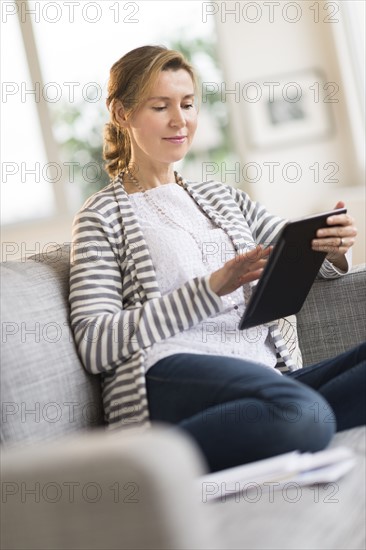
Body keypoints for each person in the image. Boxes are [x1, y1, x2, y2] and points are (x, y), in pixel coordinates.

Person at [69, 45, 365, 472]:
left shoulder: (222, 197)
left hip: (261, 375)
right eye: (160, 106)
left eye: (188, 104)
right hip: (171, 371)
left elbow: (295, 252)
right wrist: (210, 289)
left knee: (301, 409)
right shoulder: (101, 216)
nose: (180, 120)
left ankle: (283, 420)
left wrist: (332, 245)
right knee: (302, 413)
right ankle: (141, 464)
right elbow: (96, 342)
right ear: (121, 113)